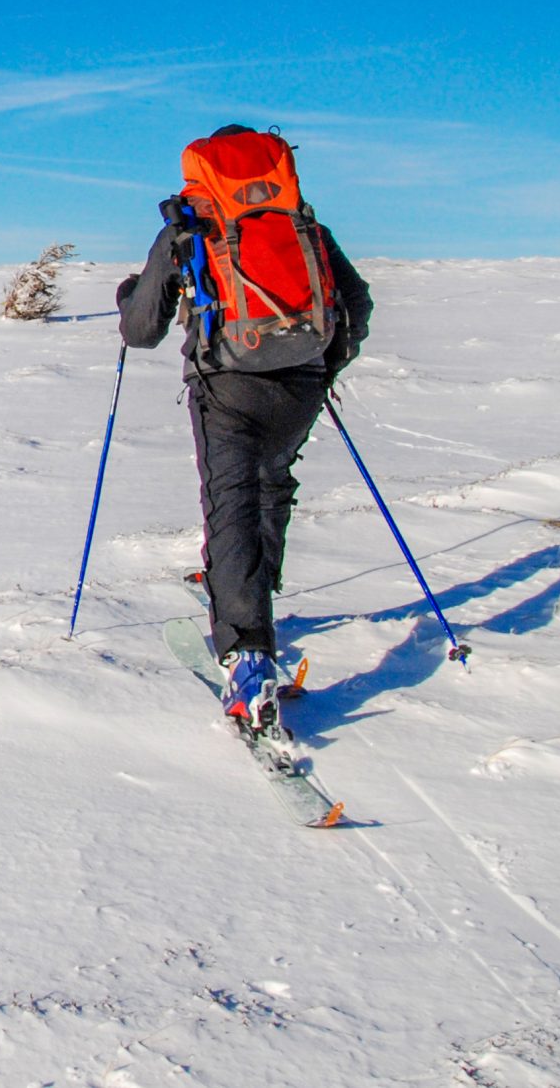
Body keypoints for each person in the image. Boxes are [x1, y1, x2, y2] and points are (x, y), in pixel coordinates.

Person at [116, 125, 372, 732]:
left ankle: (248, 656)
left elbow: (141, 329)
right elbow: (355, 304)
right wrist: (323, 364)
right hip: (302, 378)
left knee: (231, 503)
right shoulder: (300, 225)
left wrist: (130, 293)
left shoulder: (188, 226)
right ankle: (257, 584)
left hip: (227, 383)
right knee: (272, 480)